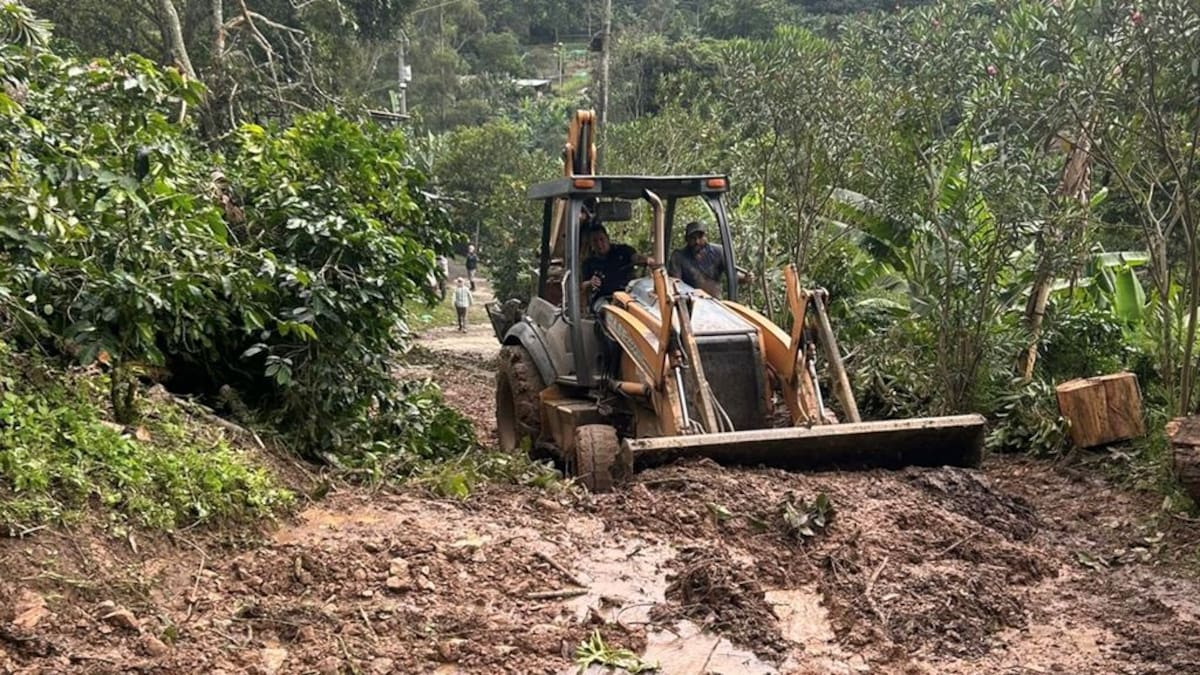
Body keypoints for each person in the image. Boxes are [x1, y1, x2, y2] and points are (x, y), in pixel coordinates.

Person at [668, 221, 752, 296]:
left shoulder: (719, 251)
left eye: (700, 237)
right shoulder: (679, 256)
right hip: (690, 302)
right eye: (693, 238)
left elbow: (733, 276)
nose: (697, 241)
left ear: (705, 237)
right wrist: (691, 293)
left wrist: (745, 278)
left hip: (715, 304)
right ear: (687, 239)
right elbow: (675, 284)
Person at [581, 226, 653, 311]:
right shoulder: (589, 262)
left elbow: (636, 258)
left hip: (629, 294)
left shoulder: (623, 251)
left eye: (601, 239)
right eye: (595, 241)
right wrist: (590, 283)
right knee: (606, 311)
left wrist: (648, 260)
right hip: (604, 298)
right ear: (591, 244)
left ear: (607, 238)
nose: (599, 244)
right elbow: (582, 285)